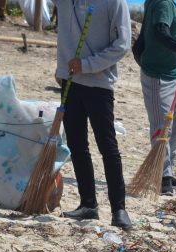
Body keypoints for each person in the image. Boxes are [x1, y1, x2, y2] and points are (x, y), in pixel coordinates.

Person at [53, 0, 132, 229]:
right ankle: (88, 204)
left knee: (107, 146)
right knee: (77, 145)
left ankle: (119, 209)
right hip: (70, 81)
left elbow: (123, 44)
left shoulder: (114, 3)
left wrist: (87, 64)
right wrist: (62, 69)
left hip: (99, 83)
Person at [138, 0, 176, 195]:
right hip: (159, 76)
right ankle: (162, 177)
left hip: (175, 73)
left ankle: (167, 172)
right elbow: (160, 31)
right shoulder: (163, 3)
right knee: (161, 127)